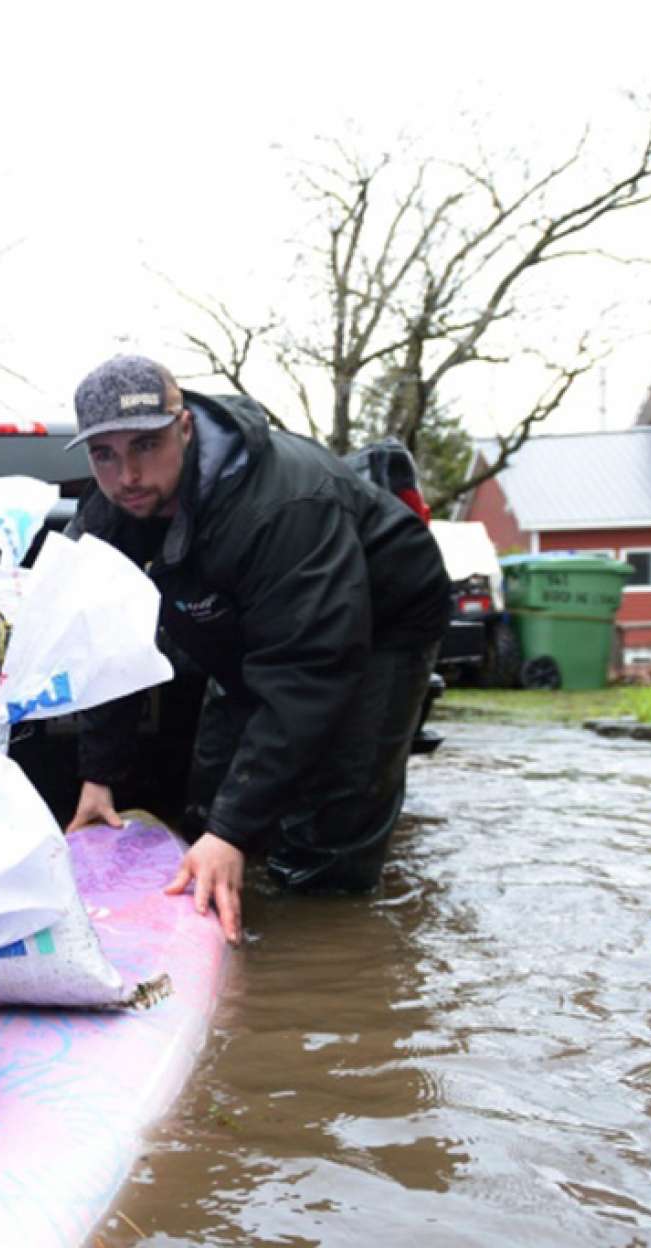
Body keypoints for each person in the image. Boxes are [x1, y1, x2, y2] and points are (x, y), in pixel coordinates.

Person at [61, 355, 449, 945]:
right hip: (249, 625)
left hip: (379, 620)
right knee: (210, 803)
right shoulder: (109, 516)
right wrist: (99, 776)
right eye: (105, 455)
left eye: (145, 445)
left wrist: (234, 833)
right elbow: (110, 642)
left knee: (328, 820)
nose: (127, 475)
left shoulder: (282, 506)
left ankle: (325, 946)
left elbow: (309, 670)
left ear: (184, 429)